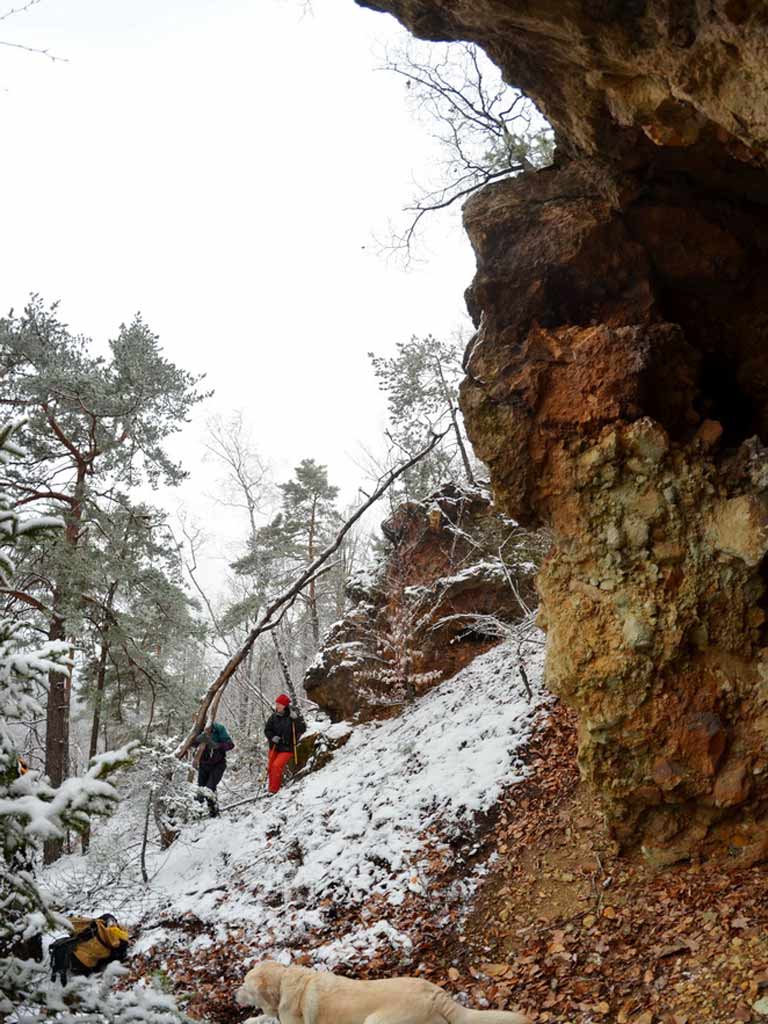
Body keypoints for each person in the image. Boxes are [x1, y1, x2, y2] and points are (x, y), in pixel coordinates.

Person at [263, 694, 306, 794]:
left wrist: (296, 719)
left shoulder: (293, 716)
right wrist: (272, 737)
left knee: (276, 766)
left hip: (287, 748)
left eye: (279, 704)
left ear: (285, 705)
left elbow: (302, 729)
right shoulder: (273, 717)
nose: (277, 706)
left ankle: (274, 790)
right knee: (270, 767)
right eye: (276, 704)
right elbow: (267, 730)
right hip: (274, 746)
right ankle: (271, 788)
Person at [191, 721, 234, 817]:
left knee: (210, 787)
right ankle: (198, 812)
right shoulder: (197, 728)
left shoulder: (219, 728)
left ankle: (213, 811)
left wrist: (216, 745)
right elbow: (190, 743)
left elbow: (230, 745)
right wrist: (198, 740)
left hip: (218, 764)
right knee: (200, 789)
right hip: (203, 764)